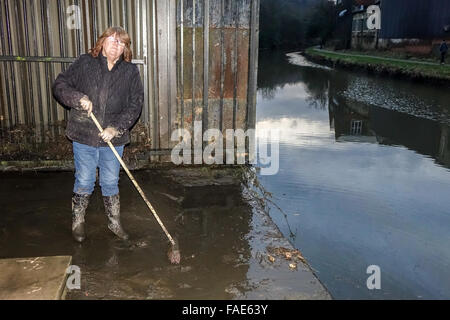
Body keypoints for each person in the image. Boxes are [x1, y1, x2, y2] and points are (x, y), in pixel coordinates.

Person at [52, 27, 144, 243]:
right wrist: (77, 97)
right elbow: (60, 84)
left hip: (114, 139)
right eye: (112, 40)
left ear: (125, 48)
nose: (116, 45)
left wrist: (116, 128)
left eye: (122, 43)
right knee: (84, 179)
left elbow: (135, 105)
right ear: (102, 42)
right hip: (84, 133)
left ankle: (114, 223)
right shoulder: (85, 63)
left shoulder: (130, 72)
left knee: (110, 180)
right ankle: (78, 222)